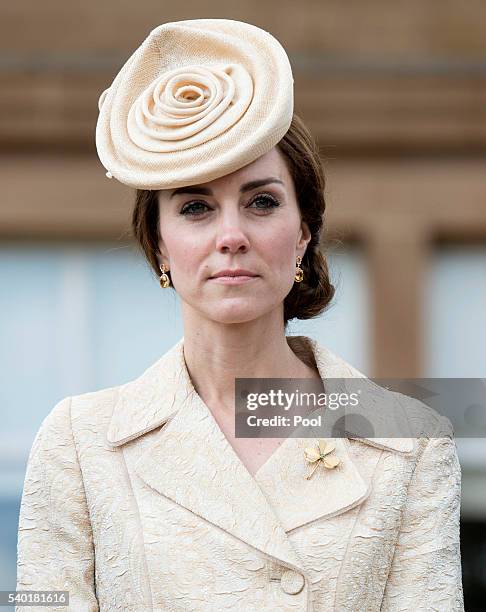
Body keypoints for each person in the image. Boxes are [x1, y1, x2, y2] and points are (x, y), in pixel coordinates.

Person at [16, 19, 464, 611]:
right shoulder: (79, 442)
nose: (231, 235)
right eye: (196, 206)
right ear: (159, 245)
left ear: (304, 234)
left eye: (261, 202)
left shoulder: (410, 439)